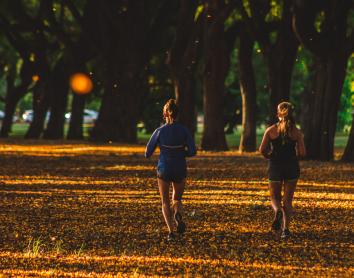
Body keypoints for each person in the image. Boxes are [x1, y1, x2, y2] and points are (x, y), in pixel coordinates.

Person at [145, 99, 197, 241]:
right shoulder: (184, 130)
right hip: (179, 167)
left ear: (165, 114)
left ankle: (170, 232)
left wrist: (163, 150)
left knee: (165, 201)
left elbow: (147, 153)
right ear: (177, 114)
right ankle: (178, 215)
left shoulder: (159, 131)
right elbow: (193, 151)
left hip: (164, 168)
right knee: (177, 199)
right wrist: (181, 153)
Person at [259, 102, 306, 239]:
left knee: (274, 197)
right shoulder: (296, 132)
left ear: (278, 114)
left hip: (275, 166)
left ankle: (277, 211)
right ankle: (286, 230)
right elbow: (302, 153)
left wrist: (269, 156)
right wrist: (293, 157)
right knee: (288, 200)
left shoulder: (271, 130)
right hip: (291, 167)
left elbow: (262, 150)